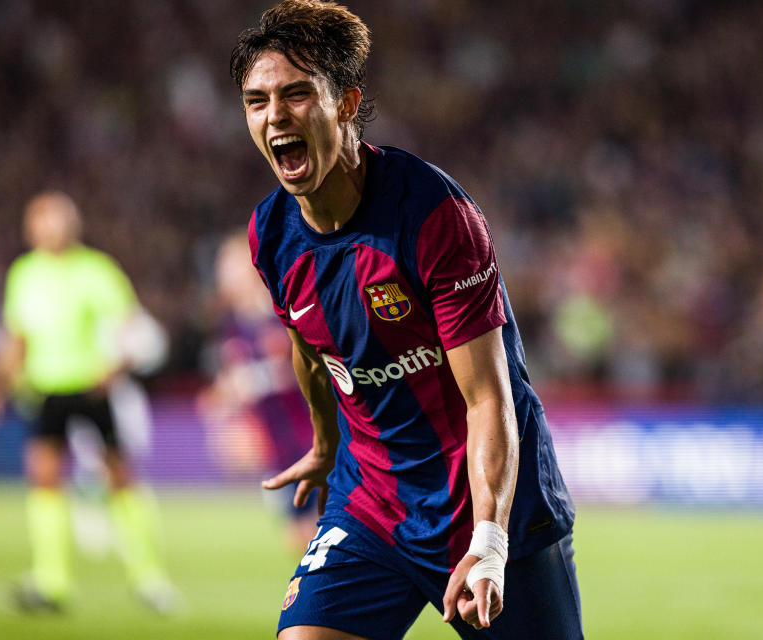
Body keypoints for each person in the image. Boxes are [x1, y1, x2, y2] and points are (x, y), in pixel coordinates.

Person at [231, 2, 581, 638]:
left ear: (345, 102)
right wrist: (324, 443)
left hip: (485, 509)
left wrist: (492, 542)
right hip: (372, 506)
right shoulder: (269, 233)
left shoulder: (432, 216)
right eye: (257, 100)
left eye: (297, 93)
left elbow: (487, 399)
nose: (275, 114)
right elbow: (311, 349)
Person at [0, 191, 177, 613]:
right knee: (44, 478)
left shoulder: (96, 270)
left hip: (90, 387)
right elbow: (18, 336)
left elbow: (132, 326)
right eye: (42, 220)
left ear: (73, 225)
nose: (50, 228)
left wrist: (116, 367)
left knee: (120, 477)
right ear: (31, 227)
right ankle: (52, 583)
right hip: (47, 390)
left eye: (57, 219)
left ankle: (150, 577)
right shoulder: (24, 273)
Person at [197, 230, 317, 555]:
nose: (224, 275)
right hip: (279, 449)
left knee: (323, 541)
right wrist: (223, 407)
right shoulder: (232, 325)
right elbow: (234, 380)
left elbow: (307, 366)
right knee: (298, 542)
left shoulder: (281, 310)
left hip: (315, 440)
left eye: (231, 265)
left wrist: (252, 381)